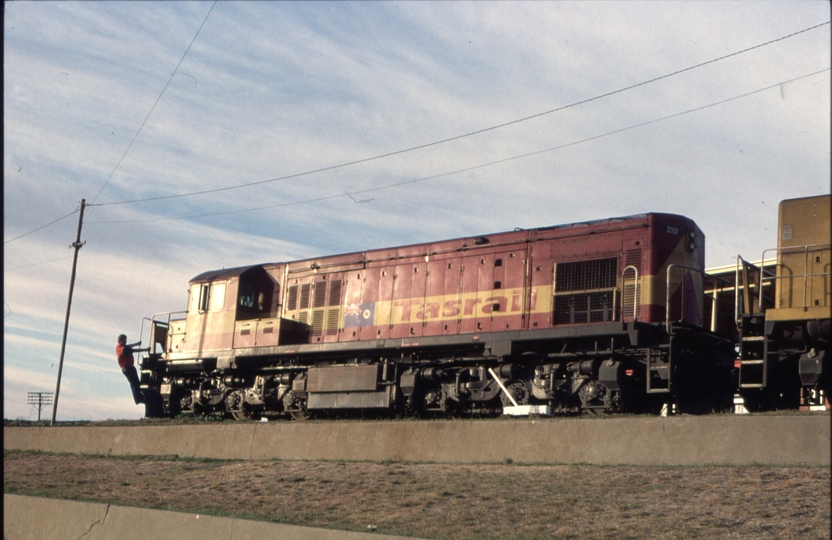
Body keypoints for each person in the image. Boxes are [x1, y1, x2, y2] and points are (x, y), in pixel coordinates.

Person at [116, 334, 148, 405]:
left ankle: (141, 396)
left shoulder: (124, 347)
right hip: (126, 368)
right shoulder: (120, 349)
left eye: (126, 340)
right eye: (124, 340)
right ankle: (138, 399)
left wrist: (137, 343)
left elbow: (130, 346)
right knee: (134, 384)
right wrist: (145, 349)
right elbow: (131, 350)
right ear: (120, 341)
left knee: (137, 382)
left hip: (131, 367)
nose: (125, 342)